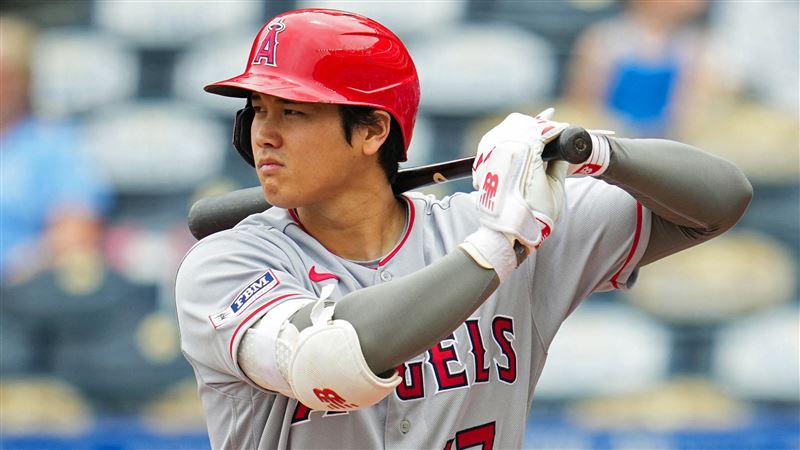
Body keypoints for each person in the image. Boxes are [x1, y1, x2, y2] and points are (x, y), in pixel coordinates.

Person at [174, 9, 752, 449]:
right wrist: (501, 245)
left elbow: (722, 200)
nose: (264, 134)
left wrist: (594, 151)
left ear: (372, 130)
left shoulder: (489, 219)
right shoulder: (227, 264)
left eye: (292, 112)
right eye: (258, 109)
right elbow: (328, 363)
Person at [0, 15, 112, 283]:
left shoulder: (53, 141)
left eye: (5, 77)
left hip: (20, 287)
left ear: (26, 81)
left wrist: (19, 266)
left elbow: (76, 230)